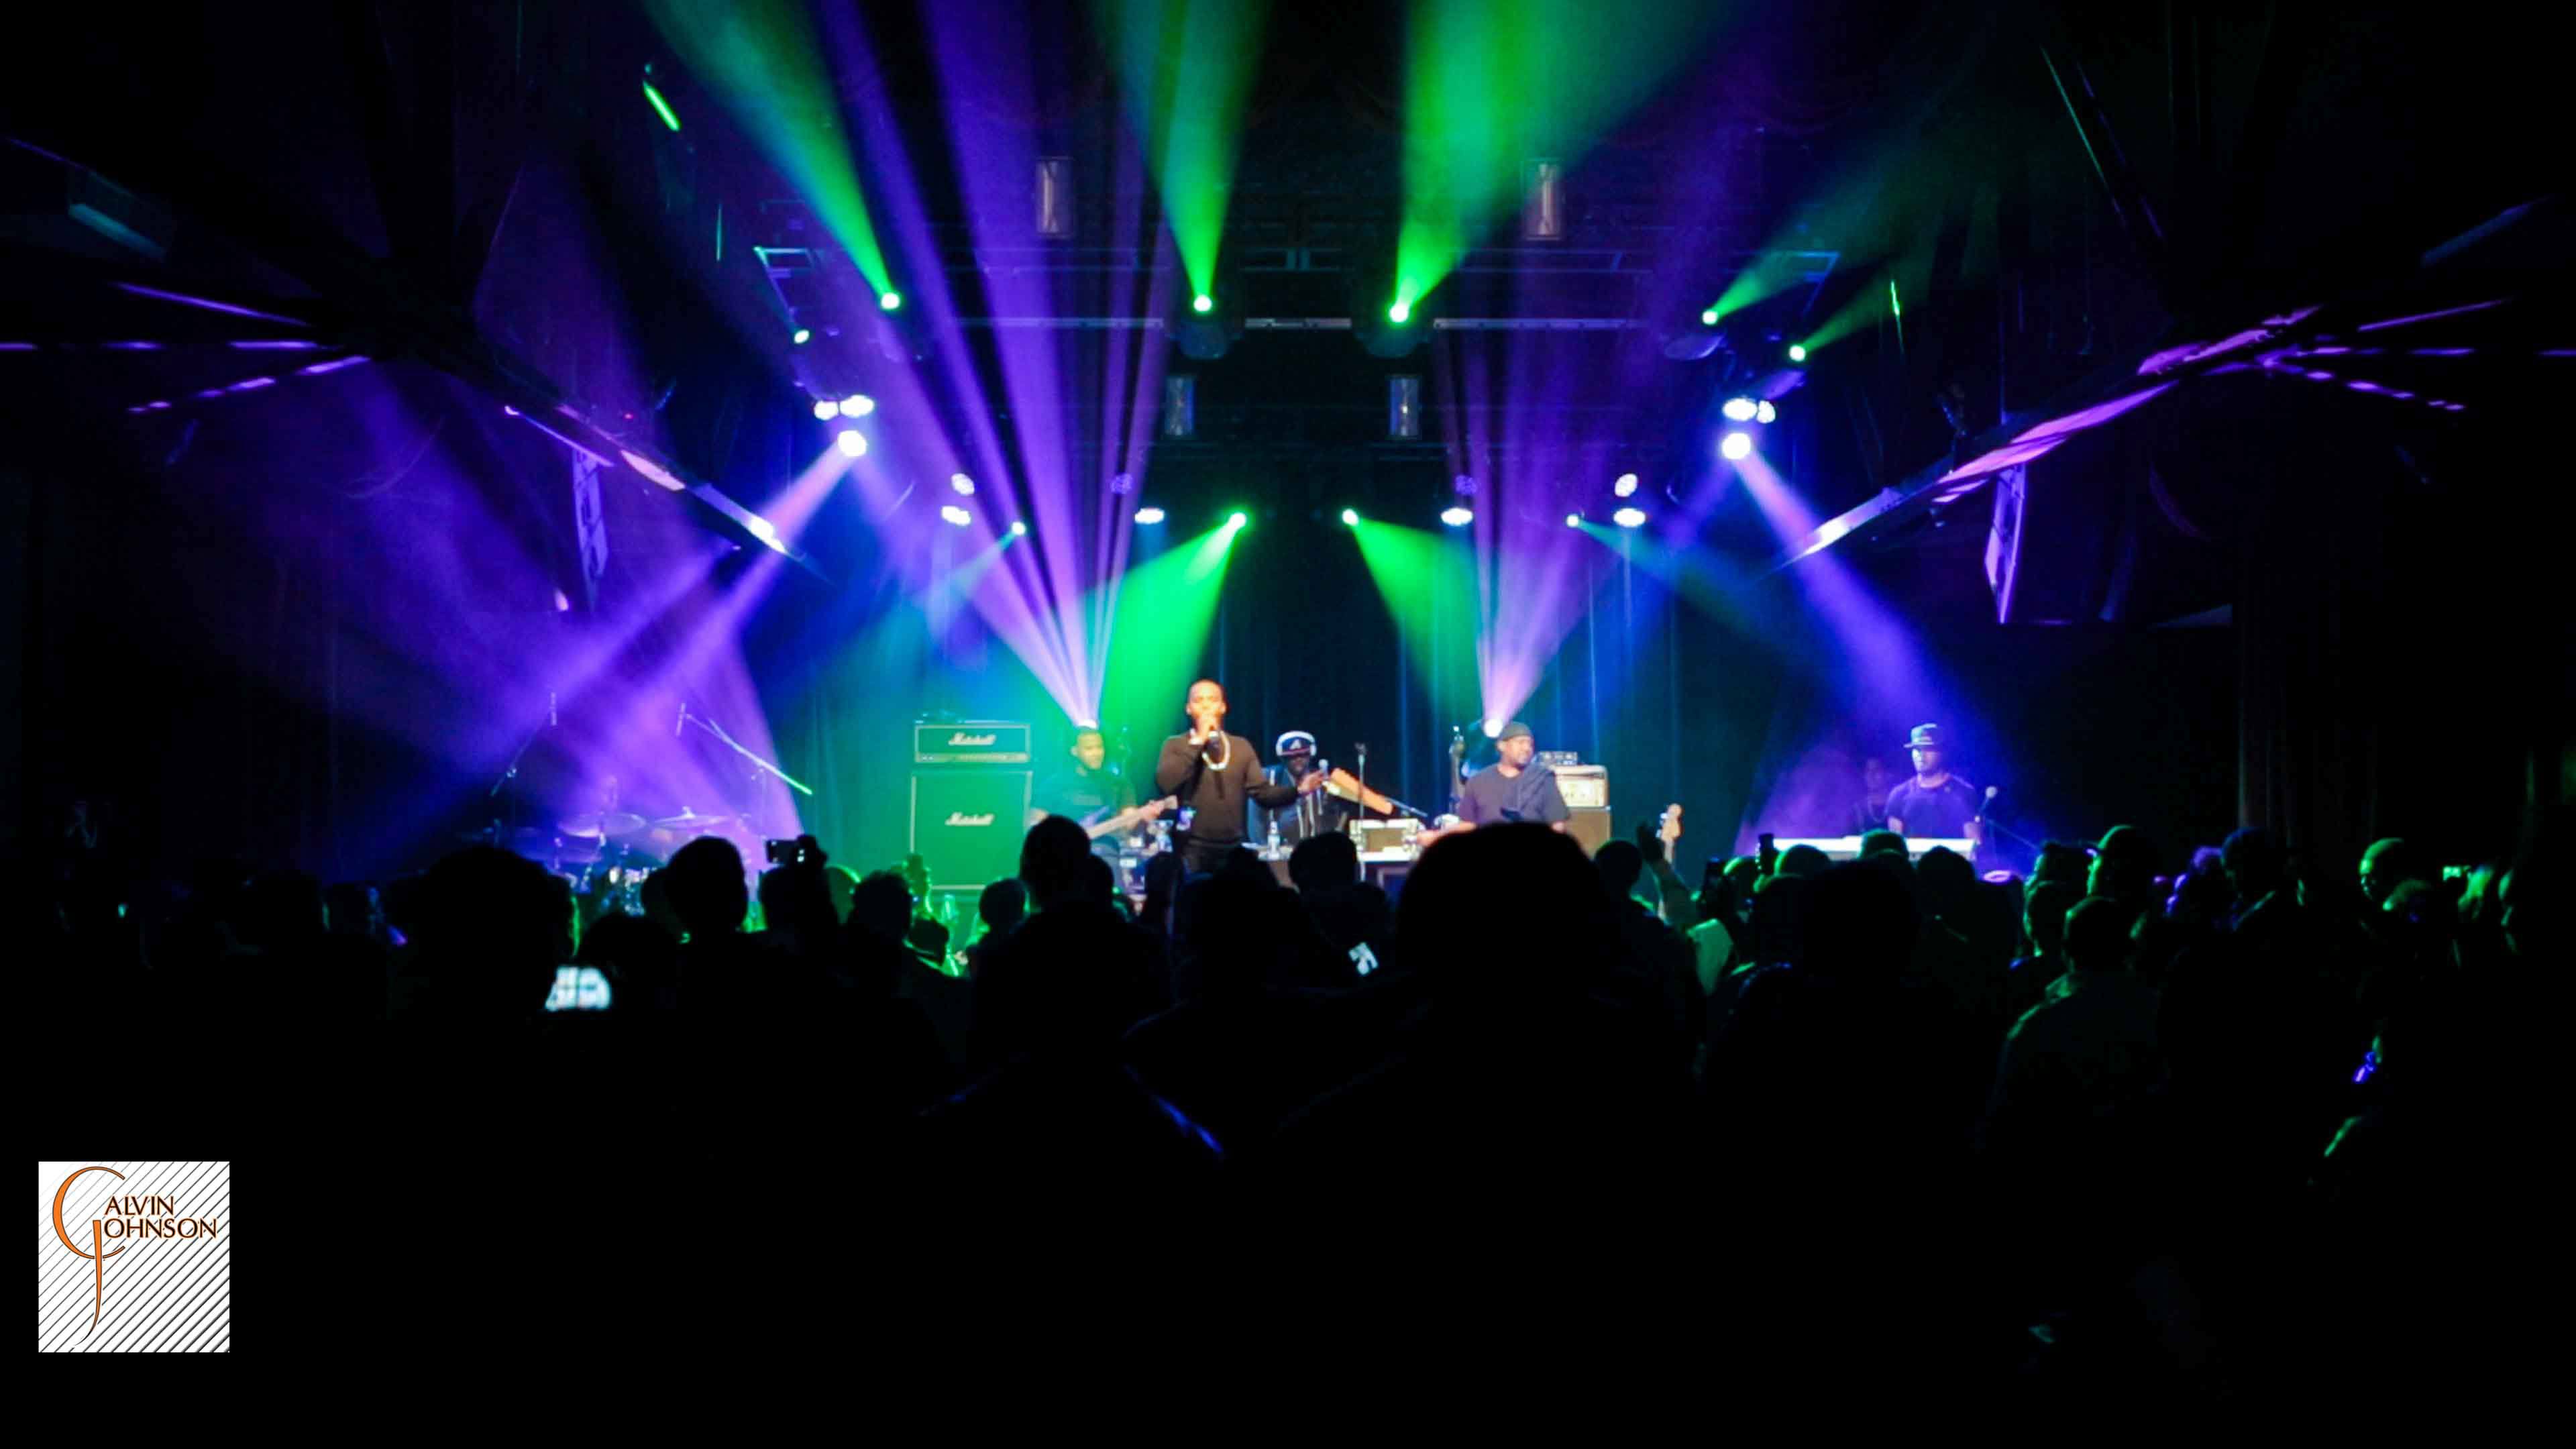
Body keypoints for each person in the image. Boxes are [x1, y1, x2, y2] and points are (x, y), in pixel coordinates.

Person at [1154, 680, 1309, 873]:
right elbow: (1166, 783)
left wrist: (1298, 790)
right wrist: (1198, 741)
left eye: (1212, 700)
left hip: (1232, 849)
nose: (1205, 705)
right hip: (1190, 848)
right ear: (1188, 709)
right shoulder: (1176, 745)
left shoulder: (1240, 746)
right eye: (1198, 700)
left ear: (1223, 707)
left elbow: (1262, 794)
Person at [1442, 721, 1568, 835]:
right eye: (1520, 743)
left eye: (1530, 744)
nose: (1527, 748)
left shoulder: (1543, 780)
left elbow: (1557, 825)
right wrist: (1437, 836)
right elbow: (1468, 824)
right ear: (1501, 746)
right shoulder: (1478, 782)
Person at [1884, 723, 1982, 851]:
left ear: (1941, 752)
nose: (1921, 755)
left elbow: (1974, 843)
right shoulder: (1899, 794)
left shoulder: (1963, 793)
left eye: (1928, 749)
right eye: (1917, 749)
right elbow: (1894, 846)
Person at [1258, 731, 1358, 849]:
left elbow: (1333, 822)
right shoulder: (1270, 778)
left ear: (1311, 754)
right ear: (1283, 758)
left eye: (1303, 754)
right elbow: (1257, 825)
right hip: (1279, 854)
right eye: (1292, 756)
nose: (1298, 759)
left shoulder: (1322, 781)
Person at [1852, 755, 1895, 839]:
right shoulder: (1859, 808)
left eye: (1877, 770)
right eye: (1868, 771)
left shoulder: (1897, 805)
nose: (1871, 775)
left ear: (1887, 775)